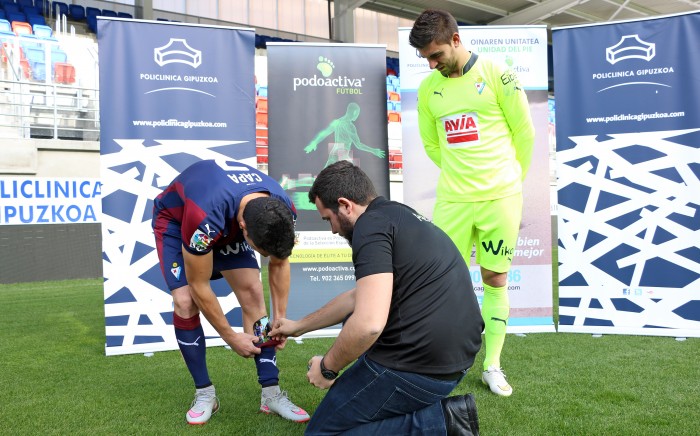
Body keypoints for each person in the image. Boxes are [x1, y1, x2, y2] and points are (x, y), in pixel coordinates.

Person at [269, 160, 483, 435]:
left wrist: (328, 368)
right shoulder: (396, 214)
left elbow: (369, 324)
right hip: (456, 360)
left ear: (345, 205)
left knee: (322, 433)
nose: (333, 229)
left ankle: (441, 423)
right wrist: (297, 326)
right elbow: (357, 298)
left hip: (419, 367)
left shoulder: (370, 228)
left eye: (328, 219)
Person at [409, 9, 536, 397]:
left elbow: (524, 133)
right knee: (442, 281)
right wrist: (461, 173)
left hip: (500, 198)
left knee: (495, 278)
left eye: (436, 55)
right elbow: (432, 143)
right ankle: (441, 363)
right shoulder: (429, 89)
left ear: (456, 40)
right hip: (454, 200)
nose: (431, 64)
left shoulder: (499, 75)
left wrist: (509, 181)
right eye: (426, 59)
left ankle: (492, 366)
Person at [151, 159, 309, 425]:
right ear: (245, 231)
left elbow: (280, 261)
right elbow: (199, 285)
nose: (264, 257)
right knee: (185, 301)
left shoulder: (283, 208)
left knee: (252, 292)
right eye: (260, 251)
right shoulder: (205, 219)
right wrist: (230, 336)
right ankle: (205, 394)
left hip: (230, 214)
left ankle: (271, 393)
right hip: (179, 222)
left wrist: (279, 319)